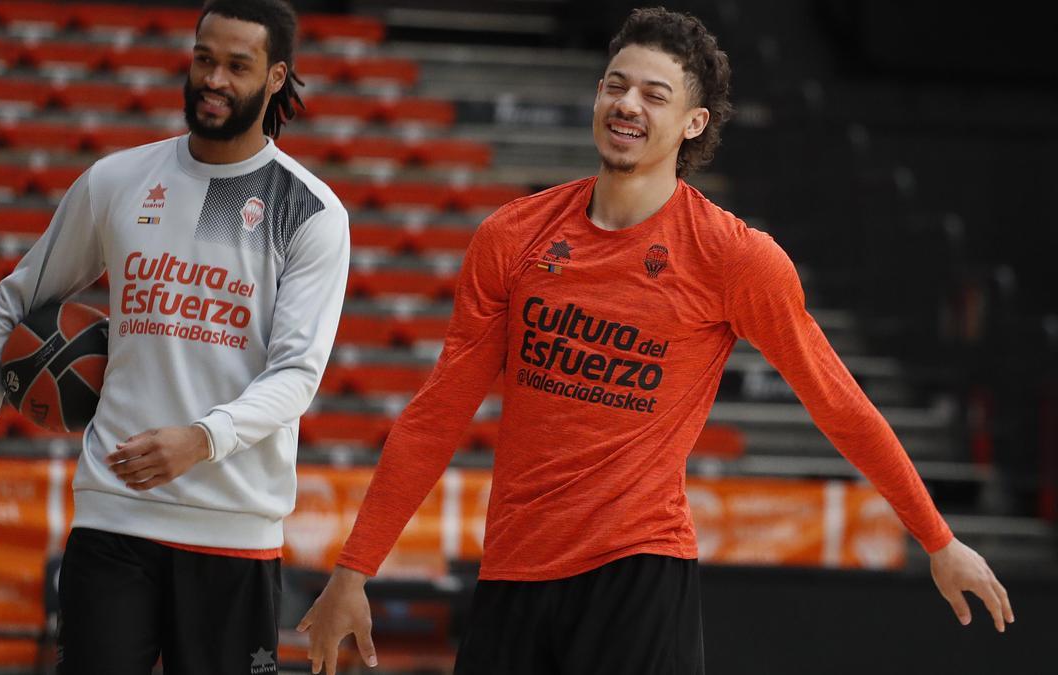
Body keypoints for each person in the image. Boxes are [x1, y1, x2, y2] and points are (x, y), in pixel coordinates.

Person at [297, 7, 1013, 675]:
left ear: (693, 122)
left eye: (654, 94)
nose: (627, 105)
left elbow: (838, 401)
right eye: (616, 85)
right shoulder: (512, 236)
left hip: (639, 574)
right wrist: (354, 569)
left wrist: (937, 539)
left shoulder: (735, 257)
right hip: (512, 571)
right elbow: (438, 412)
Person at [0, 1, 349, 672]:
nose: (213, 78)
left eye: (237, 66)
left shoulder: (310, 211)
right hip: (114, 519)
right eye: (204, 59)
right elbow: (16, 299)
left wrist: (200, 438)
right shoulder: (118, 181)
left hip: (234, 529)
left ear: (275, 79)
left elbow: (297, 374)